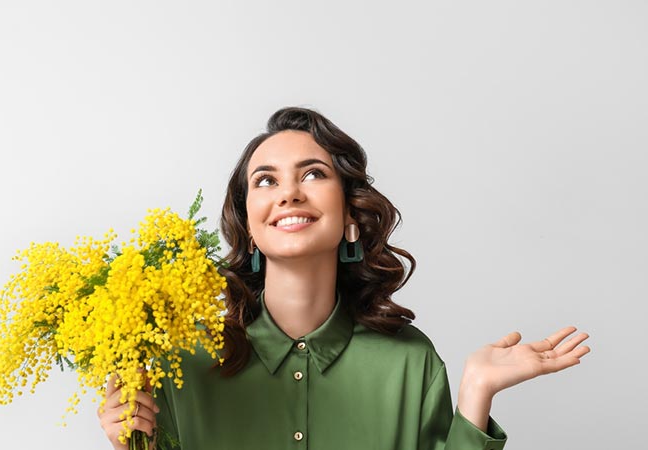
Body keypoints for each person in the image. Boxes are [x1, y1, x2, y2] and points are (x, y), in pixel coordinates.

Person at [98, 107, 590, 449]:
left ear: (350, 212)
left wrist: (476, 394)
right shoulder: (181, 361)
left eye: (313, 173)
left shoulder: (409, 362)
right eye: (265, 180)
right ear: (248, 226)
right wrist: (128, 445)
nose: (288, 193)